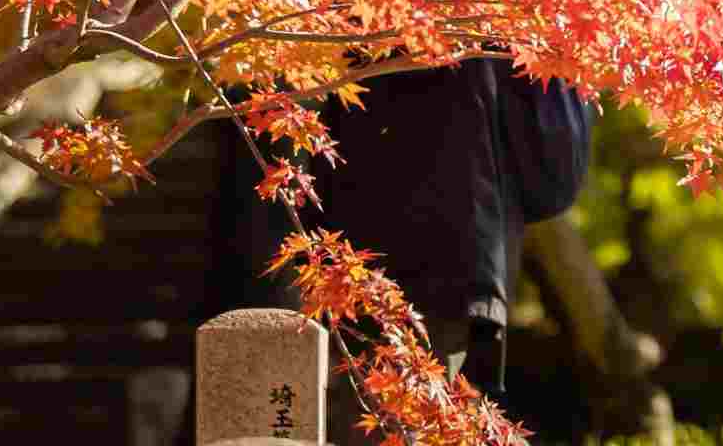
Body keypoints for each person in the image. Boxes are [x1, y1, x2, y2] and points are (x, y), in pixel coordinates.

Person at [204, 52, 599, 442]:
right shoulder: (497, 26)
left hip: (351, 262)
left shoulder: (334, 33)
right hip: (455, 262)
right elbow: (553, 176)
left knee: (390, 418)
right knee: (420, 420)